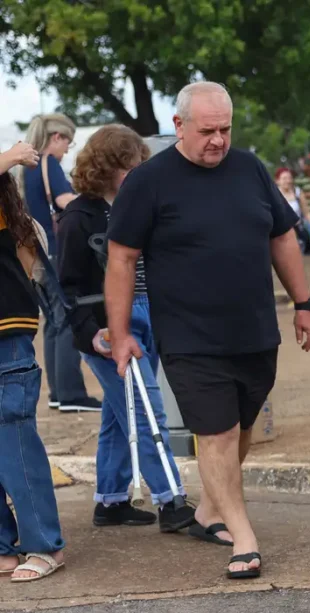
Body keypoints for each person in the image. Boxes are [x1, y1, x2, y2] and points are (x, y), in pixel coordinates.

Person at [105, 81, 310, 579]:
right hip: (189, 335)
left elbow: (282, 237)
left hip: (254, 330)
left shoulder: (250, 169)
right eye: (207, 131)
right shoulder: (148, 182)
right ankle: (243, 538)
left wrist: (304, 303)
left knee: (240, 427)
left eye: (226, 129)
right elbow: (121, 259)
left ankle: (207, 511)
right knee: (216, 432)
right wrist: (120, 333)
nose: (218, 140)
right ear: (179, 126)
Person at [56, 125, 196, 531]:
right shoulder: (79, 217)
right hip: (106, 326)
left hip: (149, 315)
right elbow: (68, 287)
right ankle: (171, 499)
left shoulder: (139, 204)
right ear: (107, 167)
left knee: (122, 413)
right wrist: (91, 333)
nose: (135, 173)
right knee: (145, 408)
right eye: (128, 166)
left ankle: (111, 499)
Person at [0, 141, 67, 582]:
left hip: (7, 337)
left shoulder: (9, 216)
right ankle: (4, 549)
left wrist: (12, 154)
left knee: (16, 445)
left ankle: (45, 545)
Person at [22, 113, 100, 412]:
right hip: (56, 250)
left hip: (37, 253)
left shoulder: (27, 167)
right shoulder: (49, 163)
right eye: (68, 141)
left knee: (53, 324)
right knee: (67, 319)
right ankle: (71, 394)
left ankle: (58, 391)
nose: (68, 148)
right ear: (56, 137)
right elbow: (65, 200)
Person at [275, 167, 310, 258]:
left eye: (289, 178)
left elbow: (307, 212)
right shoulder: (274, 194)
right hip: (281, 234)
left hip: (297, 231)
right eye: (284, 178)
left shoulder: (297, 192)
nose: (288, 181)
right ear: (277, 181)